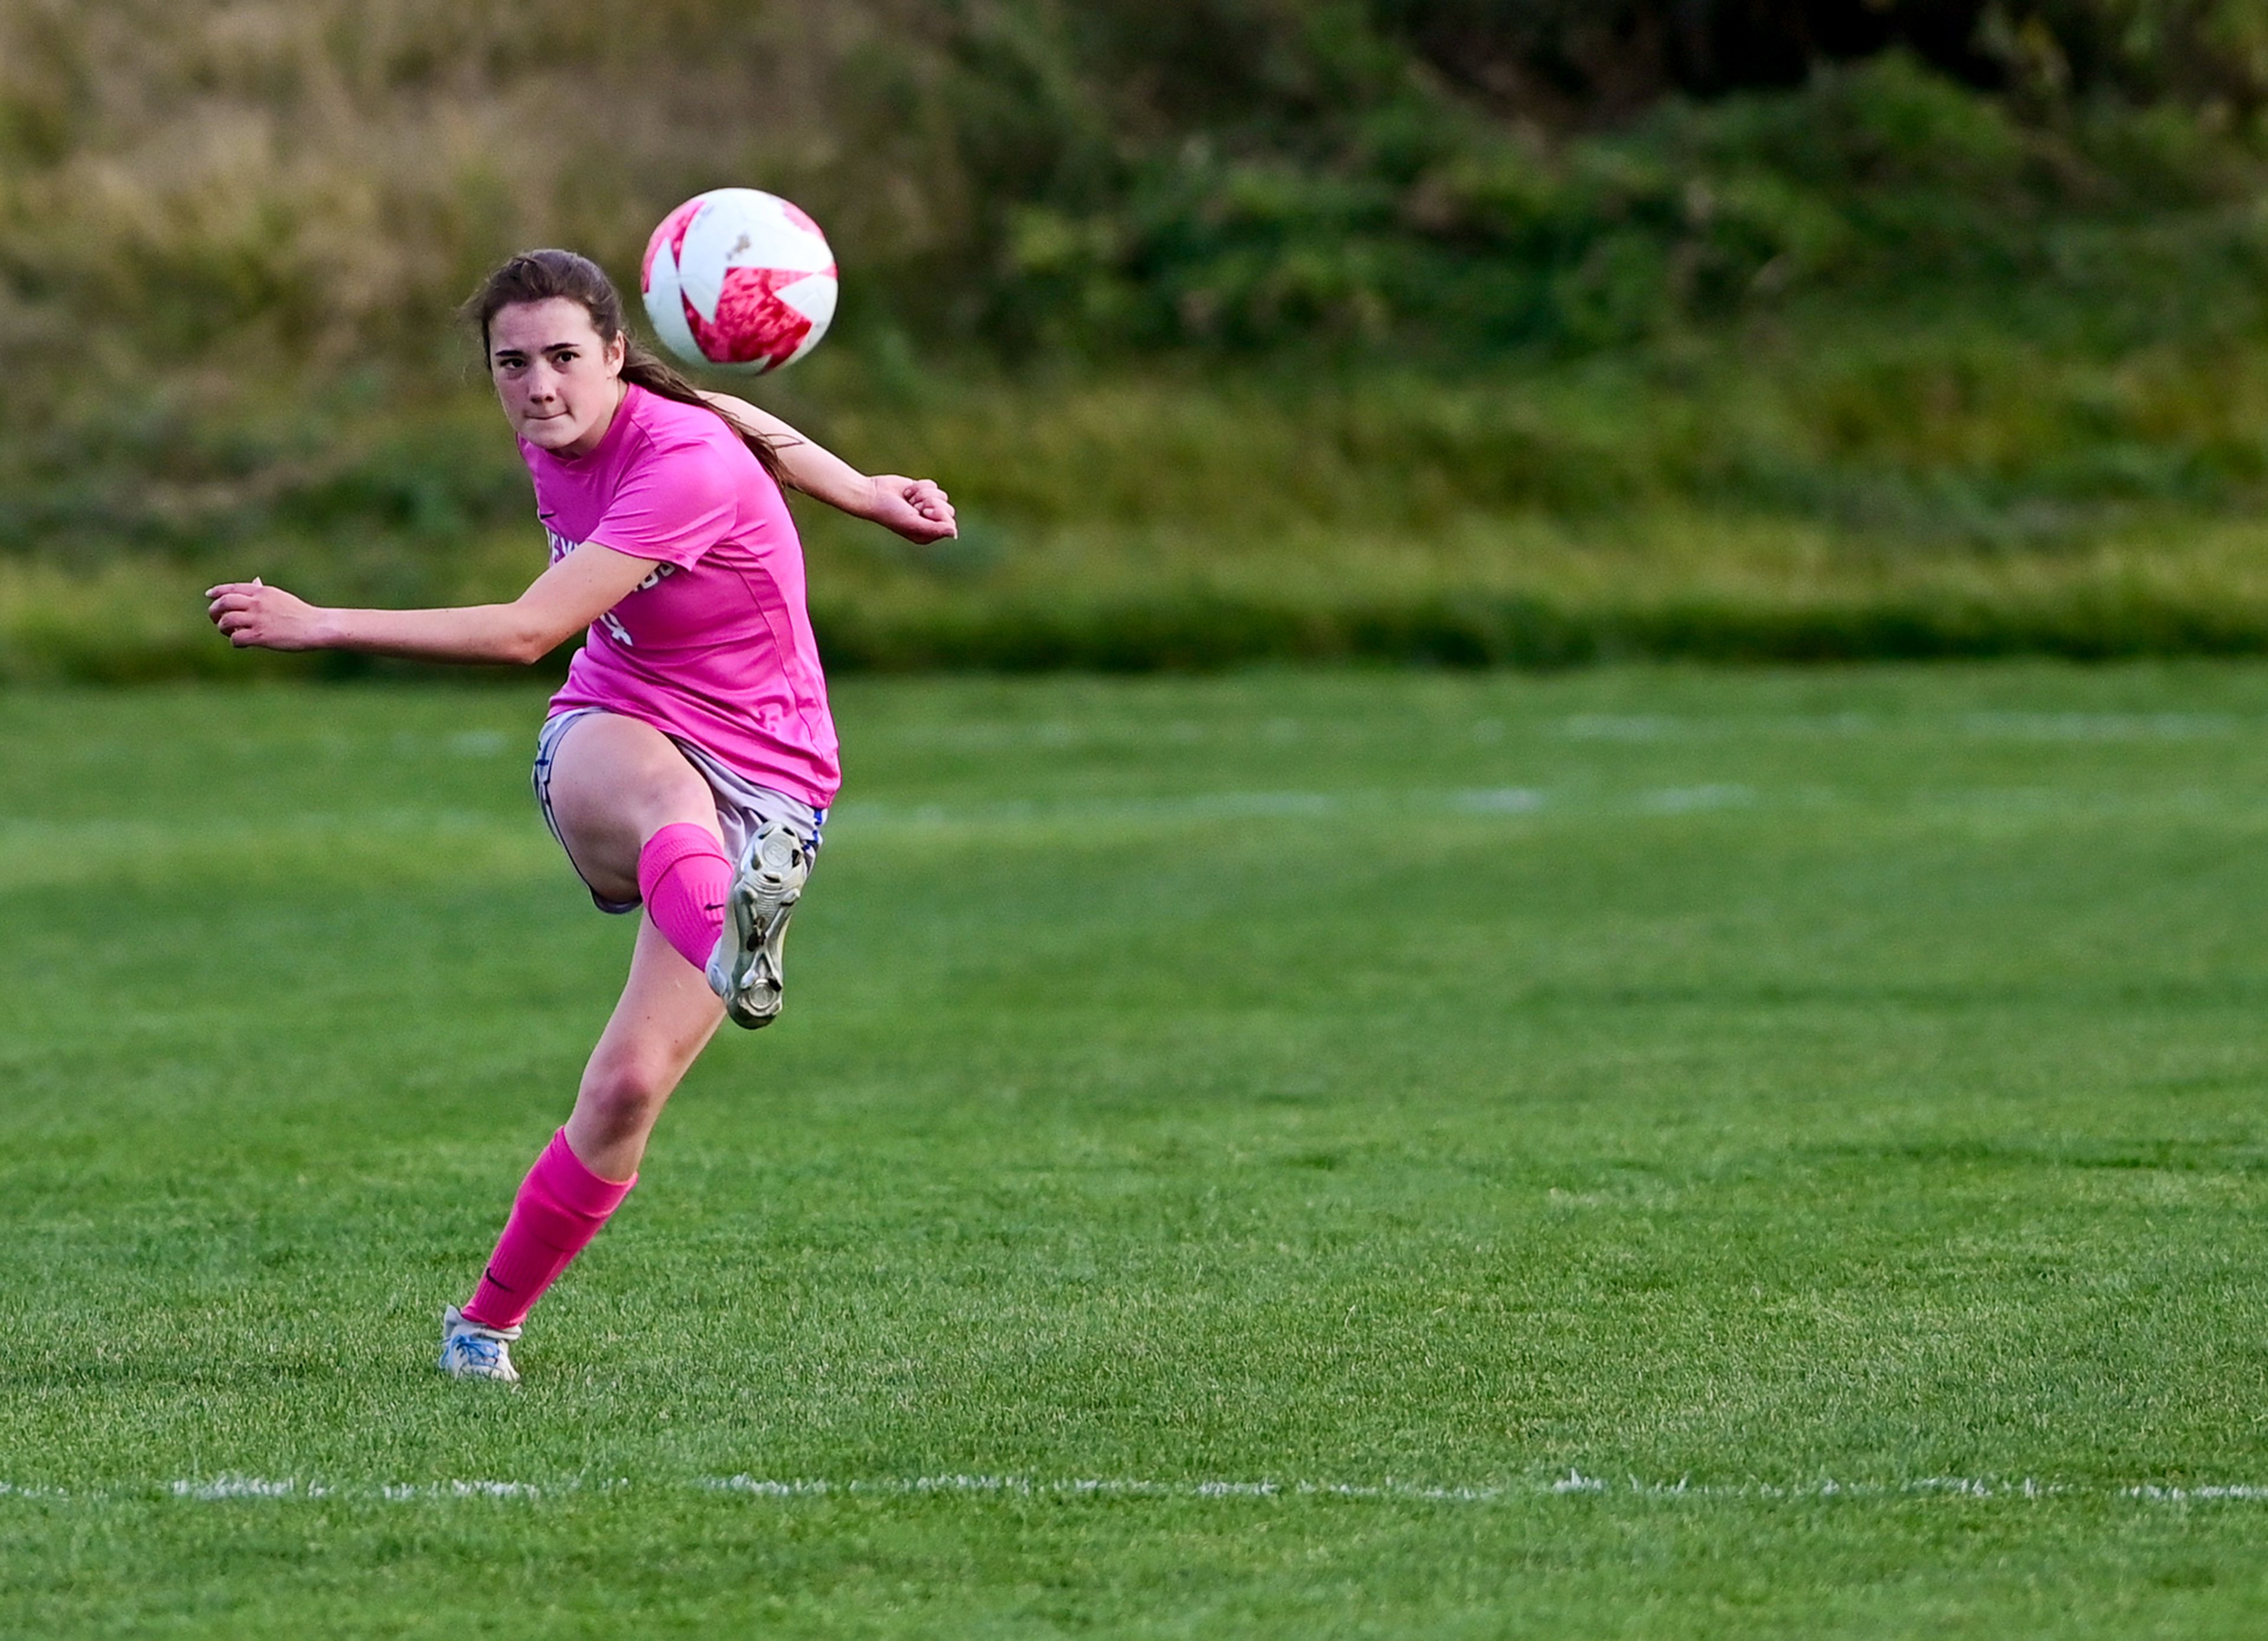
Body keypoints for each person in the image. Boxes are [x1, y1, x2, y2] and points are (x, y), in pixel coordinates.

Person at [206, 248, 956, 1384]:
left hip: (774, 773)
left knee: (624, 1093)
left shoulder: (681, 461)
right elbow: (737, 410)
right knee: (663, 799)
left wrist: (324, 624)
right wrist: (857, 491)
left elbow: (522, 630)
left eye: (564, 358)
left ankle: (483, 1328)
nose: (539, 387)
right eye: (513, 365)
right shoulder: (587, 420)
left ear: (615, 356)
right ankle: (733, 939)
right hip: (621, 718)